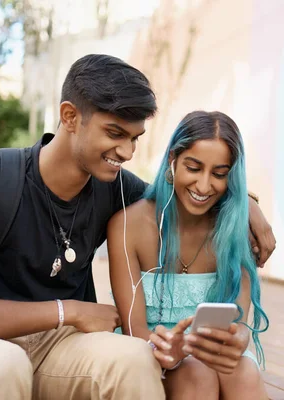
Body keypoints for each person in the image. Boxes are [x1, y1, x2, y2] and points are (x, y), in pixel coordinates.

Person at [0, 54, 276, 400]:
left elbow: (184, 192)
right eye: (115, 133)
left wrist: (249, 206)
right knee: (3, 363)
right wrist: (69, 310)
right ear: (70, 116)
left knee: (135, 357)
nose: (126, 151)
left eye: (134, 138)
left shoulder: (116, 188)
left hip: (59, 348)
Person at [107, 110, 270, 400]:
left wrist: (240, 337)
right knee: (197, 373)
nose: (204, 186)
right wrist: (173, 349)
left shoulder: (235, 227)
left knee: (244, 373)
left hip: (216, 352)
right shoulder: (128, 225)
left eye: (219, 174)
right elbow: (135, 329)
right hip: (150, 350)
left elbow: (240, 321)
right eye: (193, 168)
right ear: (173, 160)